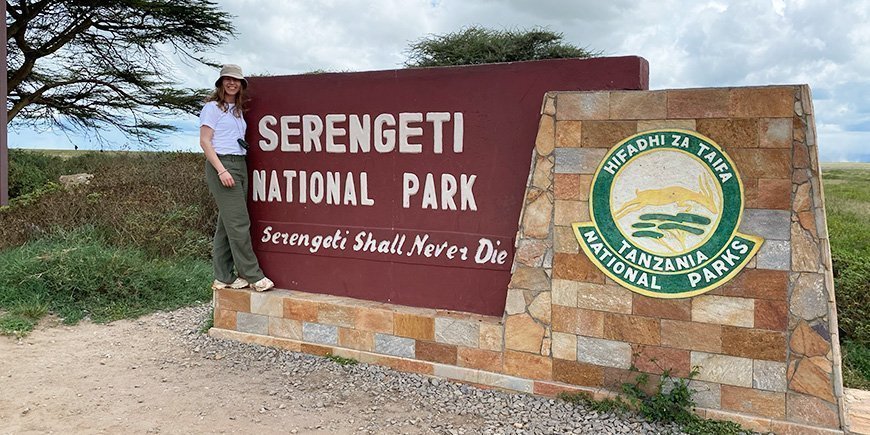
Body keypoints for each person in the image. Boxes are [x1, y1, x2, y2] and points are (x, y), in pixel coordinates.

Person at [199, 64, 274, 292]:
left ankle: (222, 276)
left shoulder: (237, 110)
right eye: (228, 79)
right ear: (221, 83)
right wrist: (221, 170)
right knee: (240, 223)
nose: (232, 83)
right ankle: (252, 275)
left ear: (241, 85)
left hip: (240, 163)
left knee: (227, 224)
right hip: (222, 164)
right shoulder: (212, 108)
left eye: (236, 80)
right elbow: (204, 141)